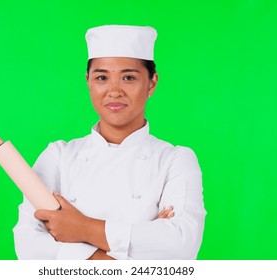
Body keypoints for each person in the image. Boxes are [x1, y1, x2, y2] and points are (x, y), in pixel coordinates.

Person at [13, 25, 206, 260]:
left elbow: (180, 245)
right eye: (102, 77)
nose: (114, 91)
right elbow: (29, 246)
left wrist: (81, 228)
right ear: (88, 81)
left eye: (128, 77)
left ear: (152, 83)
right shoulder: (58, 156)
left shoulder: (175, 159)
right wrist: (136, 252)